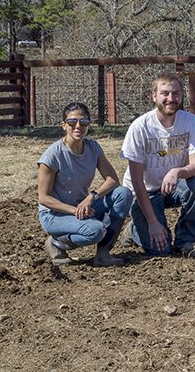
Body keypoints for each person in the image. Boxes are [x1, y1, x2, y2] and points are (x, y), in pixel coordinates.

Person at [121, 72, 195, 257]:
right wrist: (152, 223)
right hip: (144, 191)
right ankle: (136, 229)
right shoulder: (140, 127)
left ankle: (186, 240)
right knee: (161, 250)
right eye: (165, 93)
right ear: (154, 96)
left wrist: (178, 171)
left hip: (171, 186)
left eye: (176, 93)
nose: (171, 98)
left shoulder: (190, 121)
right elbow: (136, 181)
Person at [37, 102, 133, 267]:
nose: (78, 126)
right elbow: (44, 198)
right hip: (55, 214)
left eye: (84, 122)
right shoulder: (52, 156)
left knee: (123, 194)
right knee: (95, 230)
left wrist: (91, 197)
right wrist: (75, 211)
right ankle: (58, 242)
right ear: (64, 125)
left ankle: (103, 253)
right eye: (72, 122)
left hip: (81, 205)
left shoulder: (93, 147)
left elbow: (112, 180)